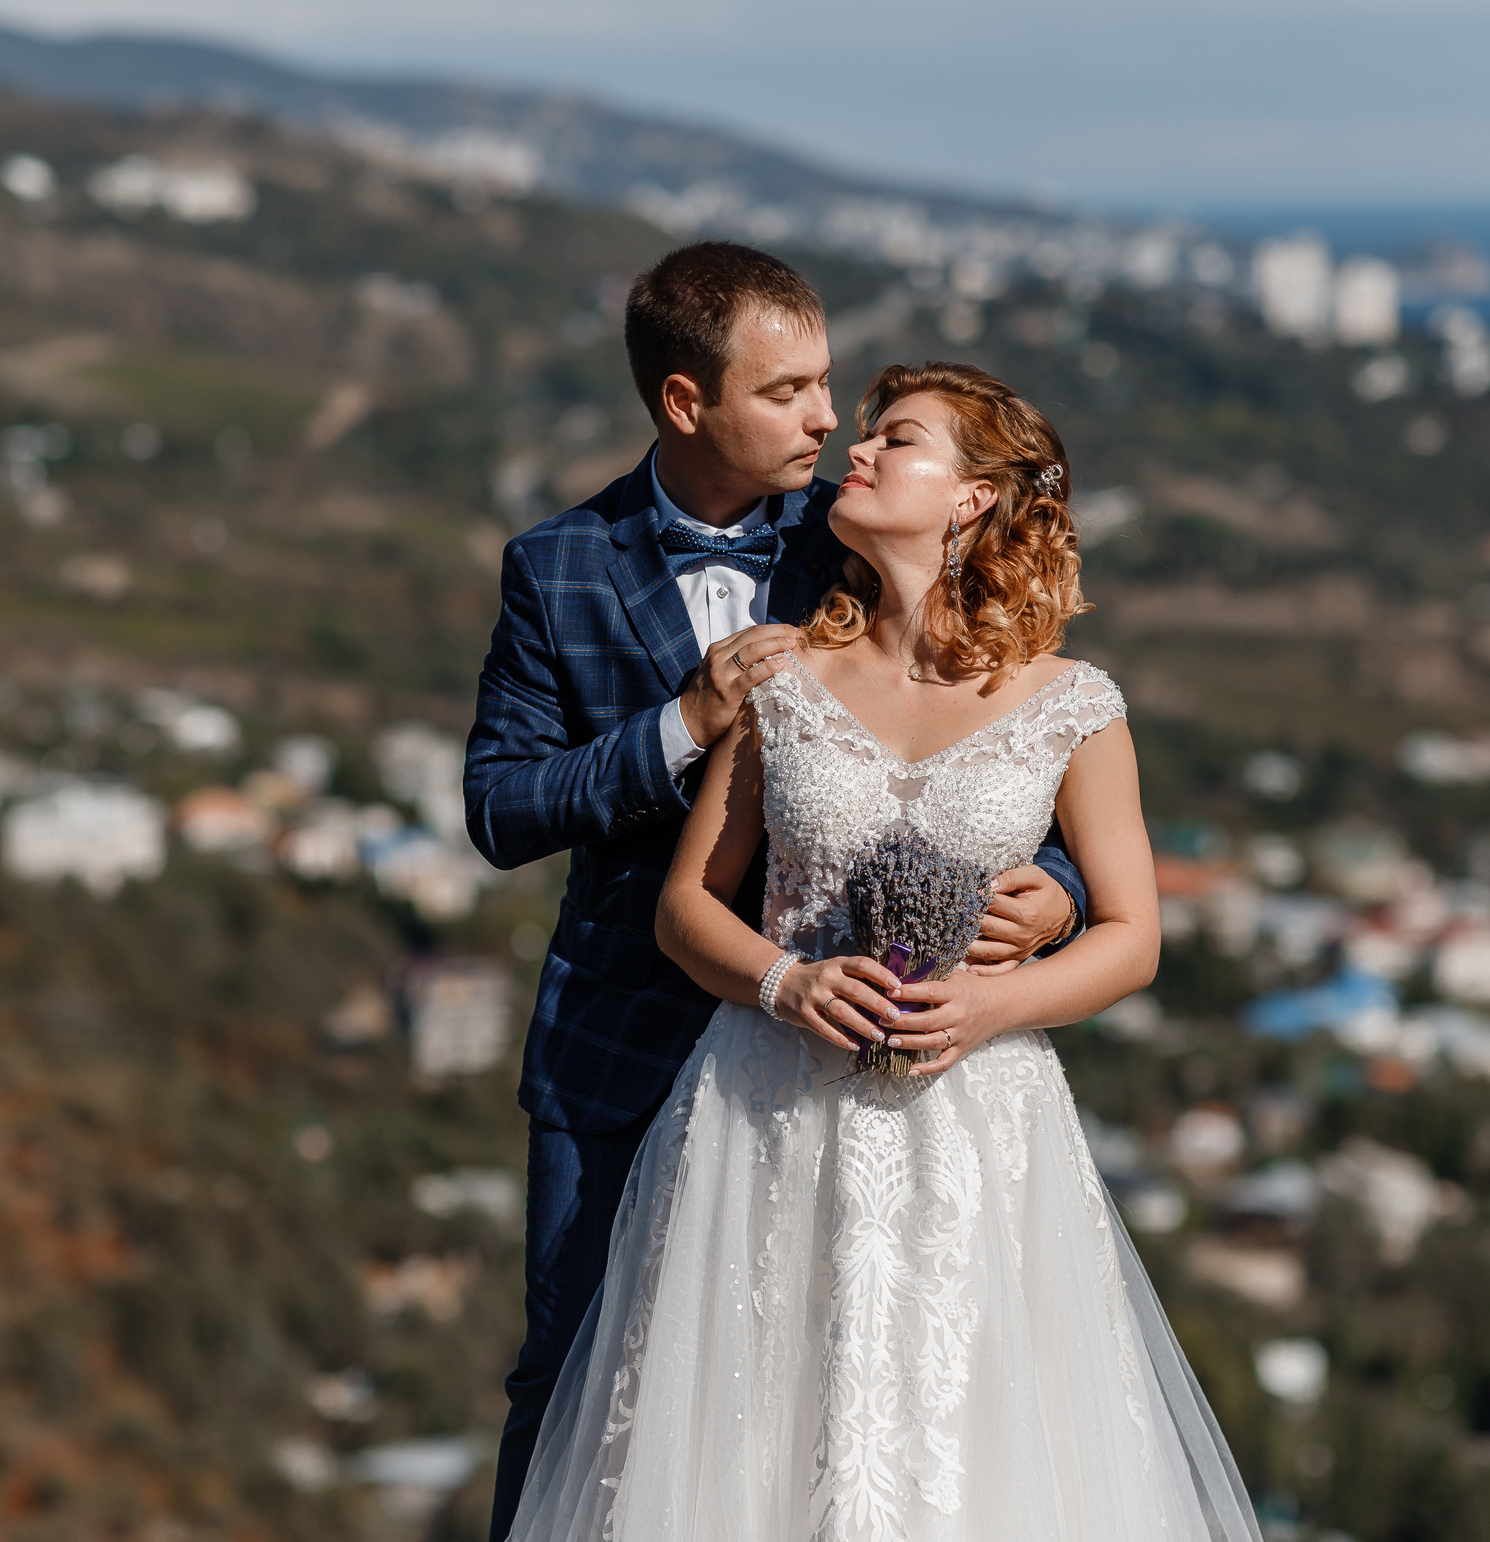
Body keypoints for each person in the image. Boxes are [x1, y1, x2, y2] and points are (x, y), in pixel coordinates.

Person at [500, 361, 1258, 1541]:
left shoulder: (1073, 704)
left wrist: (994, 1005)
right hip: (764, 1109)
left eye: (894, 439)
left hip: (977, 1125)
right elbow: (686, 905)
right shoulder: (782, 679)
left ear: (971, 497)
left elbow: (1132, 937)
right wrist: (784, 981)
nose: (853, 452)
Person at [465, 244, 1090, 1539]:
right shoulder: (557, 565)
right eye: (787, 390)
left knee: (839, 1388)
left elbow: (1010, 726)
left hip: (855, 1059)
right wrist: (681, 725)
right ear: (686, 402)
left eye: (829, 386)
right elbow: (501, 807)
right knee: (576, 1386)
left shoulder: (864, 523)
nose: (827, 419)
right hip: (626, 1040)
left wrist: (1060, 889)